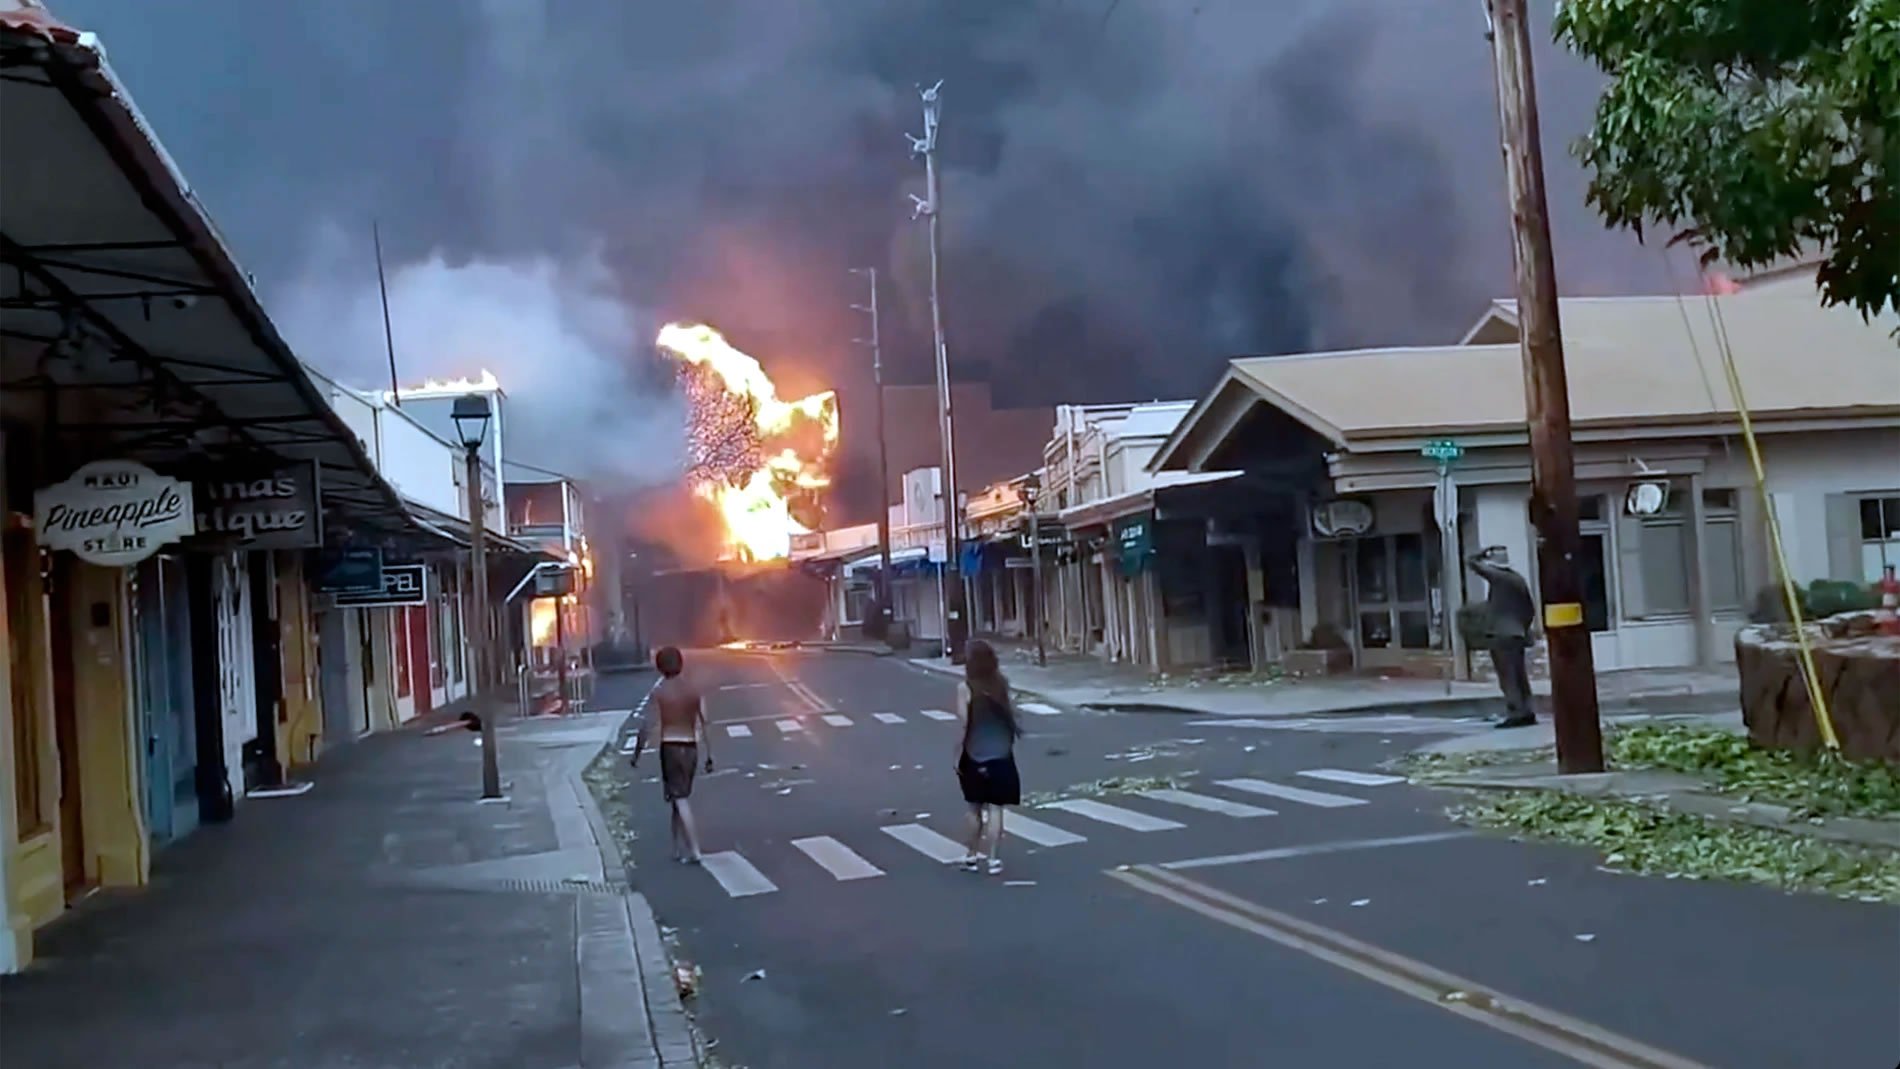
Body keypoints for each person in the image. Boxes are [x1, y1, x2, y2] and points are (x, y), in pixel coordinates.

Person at [630, 646, 714, 864]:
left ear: (660, 667)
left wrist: (636, 754)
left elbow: (646, 726)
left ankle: (695, 849)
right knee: (676, 796)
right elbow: (705, 722)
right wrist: (709, 755)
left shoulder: (659, 692)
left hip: (671, 748)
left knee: (680, 798)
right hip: (691, 748)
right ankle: (676, 848)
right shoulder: (694, 689)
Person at [954, 640, 1023, 875]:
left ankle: (971, 856)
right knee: (996, 809)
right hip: (1002, 753)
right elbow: (1011, 713)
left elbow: (964, 723)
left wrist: (957, 752)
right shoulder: (1001, 683)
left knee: (973, 808)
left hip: (974, 754)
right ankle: (993, 859)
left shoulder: (965, 687)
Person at [1466, 546, 1537, 729]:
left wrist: (1481, 553)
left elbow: (1471, 563)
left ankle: (1516, 712)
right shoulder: (1518, 579)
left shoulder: (1499, 578)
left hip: (1501, 635)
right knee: (1520, 675)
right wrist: (1522, 626)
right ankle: (1527, 710)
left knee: (1507, 675)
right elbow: (1530, 609)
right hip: (1517, 633)